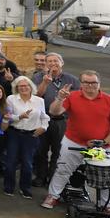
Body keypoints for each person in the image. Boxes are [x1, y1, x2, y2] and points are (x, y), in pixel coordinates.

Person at [44, 71, 110, 214]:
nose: (90, 85)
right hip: (74, 142)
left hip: (100, 147)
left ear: (99, 84)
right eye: (86, 82)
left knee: (105, 176)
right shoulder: (72, 96)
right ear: (81, 84)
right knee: (63, 169)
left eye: (94, 82)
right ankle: (53, 196)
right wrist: (59, 98)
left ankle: (106, 205)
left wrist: (103, 142)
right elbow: (55, 112)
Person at [32, 53, 78, 188]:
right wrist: (45, 83)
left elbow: (78, 98)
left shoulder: (72, 80)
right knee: (40, 150)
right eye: (49, 61)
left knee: (58, 151)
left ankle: (52, 177)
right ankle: (40, 176)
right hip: (43, 119)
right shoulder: (38, 77)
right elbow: (36, 96)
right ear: (46, 64)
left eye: (55, 61)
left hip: (62, 121)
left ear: (62, 63)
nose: (53, 63)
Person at [3, 76, 48, 199]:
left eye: (26, 85)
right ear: (16, 88)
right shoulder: (11, 99)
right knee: (10, 162)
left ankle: (25, 188)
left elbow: (44, 117)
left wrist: (43, 127)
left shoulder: (39, 100)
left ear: (31, 87)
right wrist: (19, 117)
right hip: (14, 133)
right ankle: (9, 187)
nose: (23, 88)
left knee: (27, 163)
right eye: (20, 86)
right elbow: (8, 116)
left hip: (31, 135)